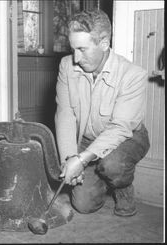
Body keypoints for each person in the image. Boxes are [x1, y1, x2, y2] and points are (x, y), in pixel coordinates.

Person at [55, 9, 150, 217]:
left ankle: (122, 187)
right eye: (73, 49)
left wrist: (81, 161)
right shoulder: (66, 66)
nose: (76, 58)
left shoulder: (133, 75)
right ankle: (102, 179)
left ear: (104, 43)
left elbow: (119, 129)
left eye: (82, 49)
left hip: (127, 137)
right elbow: (65, 115)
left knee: (113, 165)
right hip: (88, 140)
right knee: (83, 205)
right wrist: (70, 158)